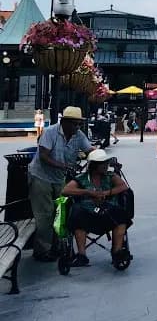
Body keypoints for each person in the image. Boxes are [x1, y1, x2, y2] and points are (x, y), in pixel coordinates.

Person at [27, 106, 92, 262]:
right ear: (65, 122)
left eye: (79, 124)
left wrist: (101, 158)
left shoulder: (79, 135)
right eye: (74, 124)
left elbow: (89, 149)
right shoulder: (50, 132)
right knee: (45, 215)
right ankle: (42, 250)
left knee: (60, 213)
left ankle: (57, 246)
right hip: (41, 176)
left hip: (59, 178)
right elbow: (44, 156)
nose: (77, 127)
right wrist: (65, 166)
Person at [61, 149, 130, 267]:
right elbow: (66, 190)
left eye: (106, 163)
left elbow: (123, 186)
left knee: (121, 214)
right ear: (94, 165)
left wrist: (106, 193)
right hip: (88, 215)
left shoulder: (110, 176)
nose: (105, 166)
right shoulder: (82, 178)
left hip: (108, 214)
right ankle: (82, 255)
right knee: (77, 214)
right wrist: (88, 192)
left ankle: (117, 252)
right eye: (102, 163)